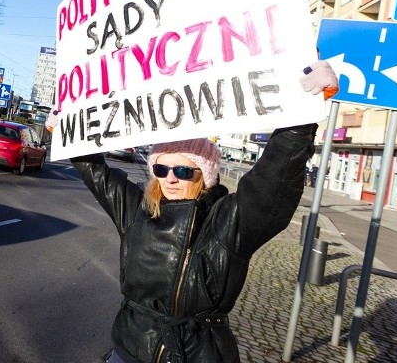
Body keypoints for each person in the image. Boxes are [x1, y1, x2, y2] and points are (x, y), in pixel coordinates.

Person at [69, 61, 339, 363]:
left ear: (205, 175)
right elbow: (96, 172)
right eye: (161, 168)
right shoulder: (137, 210)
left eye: (183, 170)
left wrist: (302, 117)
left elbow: (271, 183)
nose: (170, 178)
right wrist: (67, 127)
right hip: (128, 349)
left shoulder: (229, 220)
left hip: (198, 354)